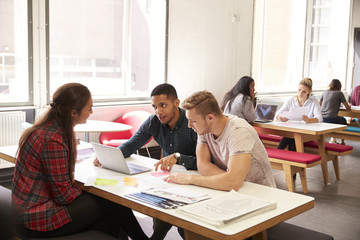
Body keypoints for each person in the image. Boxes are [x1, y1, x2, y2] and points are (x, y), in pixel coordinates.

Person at [12, 83, 148, 239]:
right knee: (114, 202)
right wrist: (92, 188)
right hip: (36, 218)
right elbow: (64, 196)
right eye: (89, 108)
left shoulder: (46, 129)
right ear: (73, 112)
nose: (91, 112)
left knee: (112, 220)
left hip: (25, 213)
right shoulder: (52, 139)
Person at [94, 83, 197, 240]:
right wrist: (109, 155)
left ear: (176, 103)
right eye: (154, 107)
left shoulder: (191, 122)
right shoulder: (153, 121)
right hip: (169, 178)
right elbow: (131, 144)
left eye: (163, 105)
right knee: (155, 211)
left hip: (195, 179)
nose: (158, 112)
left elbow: (205, 162)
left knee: (180, 226)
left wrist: (179, 157)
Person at [164, 90, 276, 190]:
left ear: (210, 118)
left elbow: (232, 183)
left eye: (193, 121)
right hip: (235, 190)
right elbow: (203, 167)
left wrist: (189, 179)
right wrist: (227, 179)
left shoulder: (239, 131)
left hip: (259, 192)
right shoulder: (204, 129)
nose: (189, 125)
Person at [275, 77, 323, 152]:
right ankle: (289, 159)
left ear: (309, 91)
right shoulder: (290, 100)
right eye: (299, 90)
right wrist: (281, 117)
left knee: (292, 136)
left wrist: (309, 120)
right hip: (293, 131)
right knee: (293, 137)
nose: (300, 93)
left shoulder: (313, 102)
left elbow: (319, 118)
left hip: (307, 132)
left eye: (304, 91)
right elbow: (277, 114)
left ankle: (277, 152)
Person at [320, 79, 351, 144]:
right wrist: (349, 106)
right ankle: (342, 141)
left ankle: (333, 139)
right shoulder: (339, 93)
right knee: (343, 120)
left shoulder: (325, 92)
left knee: (337, 119)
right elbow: (347, 107)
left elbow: (319, 103)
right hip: (331, 118)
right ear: (339, 86)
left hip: (322, 118)